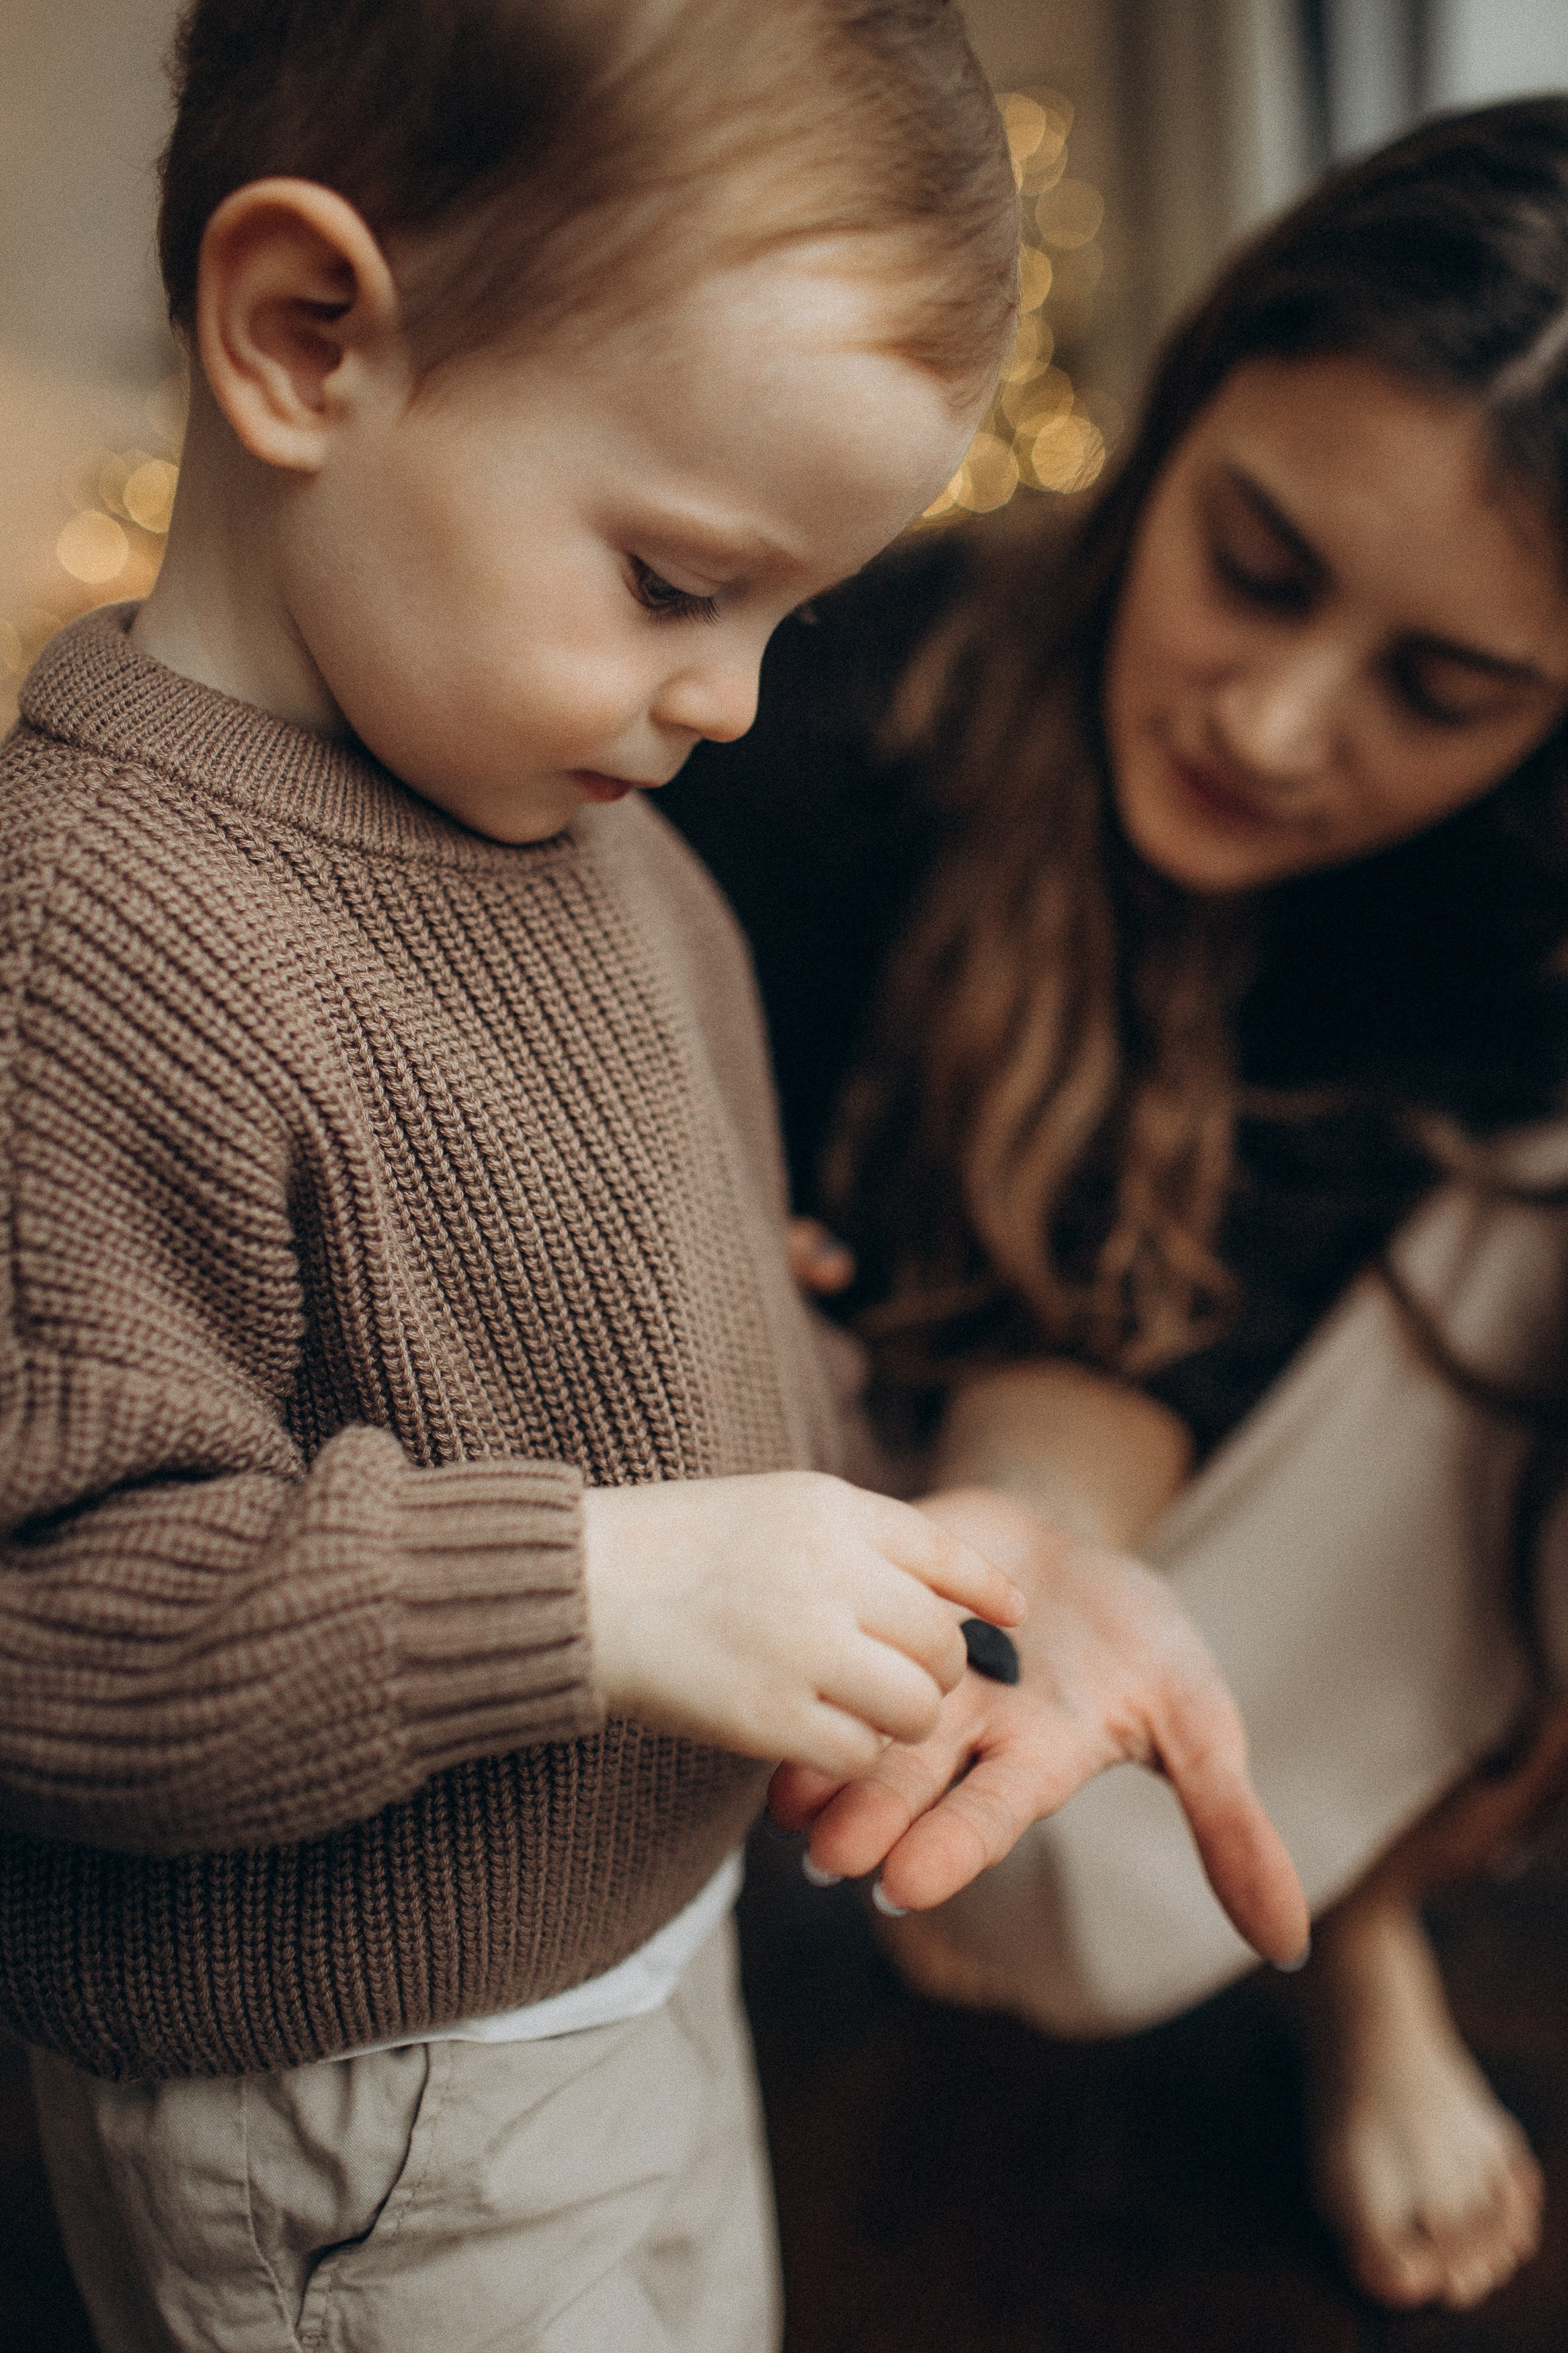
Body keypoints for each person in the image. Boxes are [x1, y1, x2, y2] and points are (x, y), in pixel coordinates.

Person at [0, 4, 1312, 2349]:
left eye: (791, 615)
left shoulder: (601, 838)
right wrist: (596, 1588)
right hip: (351, 2101)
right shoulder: (95, 937)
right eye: (680, 578)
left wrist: (942, 1525)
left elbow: (692, 1334)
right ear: (308, 339)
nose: (731, 698)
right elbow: (47, 1611)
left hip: (629, 1963)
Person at [669, 99, 1568, 2317]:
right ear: (1175, 423)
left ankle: (1359, 1927)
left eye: (1439, 688)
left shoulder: (1501, 896)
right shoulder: (831, 689)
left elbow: (1185, 1306)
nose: (1273, 723)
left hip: (1154, 1421)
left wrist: (1031, 1527)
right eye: (1254, 563)